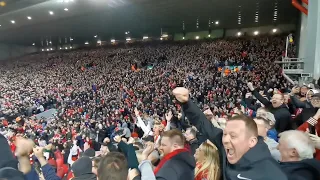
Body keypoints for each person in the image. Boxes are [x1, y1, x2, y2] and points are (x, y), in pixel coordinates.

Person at [172, 87, 287, 180]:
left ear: (251, 141)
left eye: (233, 136)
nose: (225, 139)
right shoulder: (226, 147)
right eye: (225, 134)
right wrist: (186, 103)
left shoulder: (270, 172)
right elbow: (203, 124)